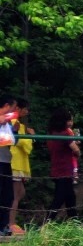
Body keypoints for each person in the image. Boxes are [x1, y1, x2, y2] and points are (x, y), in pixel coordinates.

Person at [47, 110, 81, 221]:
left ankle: (75, 221)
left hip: (56, 167)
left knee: (70, 196)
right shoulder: (65, 134)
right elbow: (76, 150)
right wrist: (77, 149)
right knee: (59, 197)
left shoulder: (51, 133)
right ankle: (47, 222)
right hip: (65, 169)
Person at [7, 99, 32, 235]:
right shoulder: (12, 122)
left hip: (19, 162)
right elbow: (20, 142)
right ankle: (10, 224)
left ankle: (9, 222)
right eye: (25, 109)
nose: (27, 112)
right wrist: (30, 138)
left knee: (20, 193)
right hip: (14, 162)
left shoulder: (19, 124)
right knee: (15, 195)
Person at [0, 95, 16, 237]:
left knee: (8, 195)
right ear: (6, 105)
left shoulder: (8, 122)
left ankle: (3, 225)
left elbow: (12, 141)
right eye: (13, 107)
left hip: (5, 160)